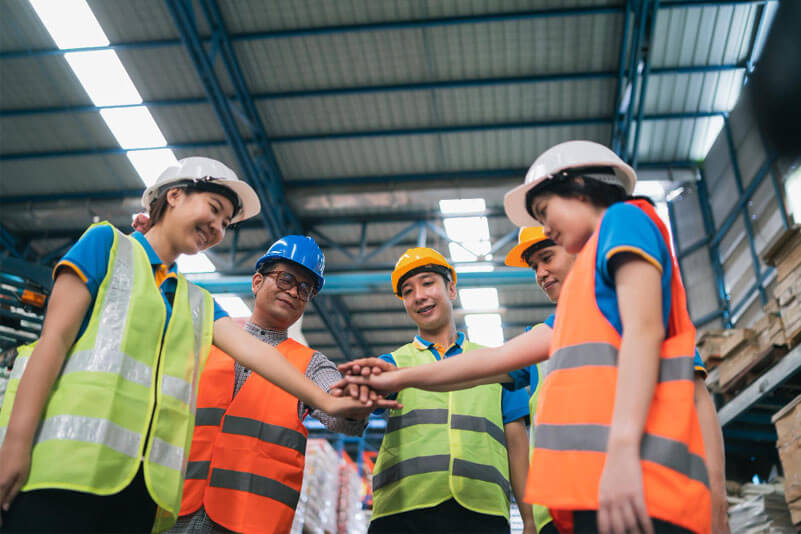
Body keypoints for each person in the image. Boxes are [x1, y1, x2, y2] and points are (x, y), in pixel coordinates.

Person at [342, 141, 714, 534]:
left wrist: (622, 452)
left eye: (544, 212)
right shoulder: (576, 308)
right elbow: (494, 360)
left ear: (580, 188)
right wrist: (396, 377)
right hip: (595, 493)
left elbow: (644, 330)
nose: (546, 227)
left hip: (642, 477)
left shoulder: (624, 218)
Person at [0, 157, 389, 532]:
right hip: (69, 470)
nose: (217, 227)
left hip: (149, 493)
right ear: (174, 196)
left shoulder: (196, 303)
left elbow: (262, 356)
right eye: (214, 209)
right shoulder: (110, 247)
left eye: (225, 223)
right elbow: (52, 344)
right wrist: (15, 444)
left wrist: (334, 401)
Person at [172, 236, 374, 534]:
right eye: (285, 279)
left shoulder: (312, 364)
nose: (293, 291)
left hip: (249, 520)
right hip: (176, 505)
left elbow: (340, 414)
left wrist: (355, 405)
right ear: (257, 282)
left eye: (304, 288)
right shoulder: (206, 336)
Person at [352, 247, 532, 534]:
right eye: (408, 291)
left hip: (482, 511)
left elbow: (517, 442)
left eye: (427, 283)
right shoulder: (392, 364)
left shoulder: (498, 364)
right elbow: (356, 409)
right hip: (403, 512)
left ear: (451, 289)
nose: (419, 295)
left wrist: (529, 519)